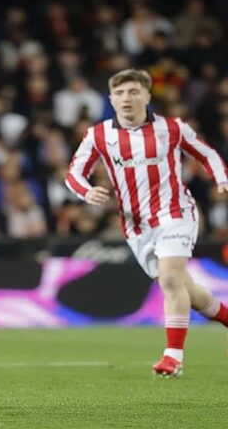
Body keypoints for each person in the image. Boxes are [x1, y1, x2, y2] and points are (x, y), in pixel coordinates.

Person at [65, 68, 228, 378]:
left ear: (147, 96)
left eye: (133, 92)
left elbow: (207, 153)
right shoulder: (98, 135)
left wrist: (222, 178)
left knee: (170, 280)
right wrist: (87, 192)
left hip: (176, 213)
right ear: (111, 99)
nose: (126, 98)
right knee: (185, 289)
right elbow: (73, 174)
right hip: (136, 226)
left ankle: (173, 358)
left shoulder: (172, 128)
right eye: (120, 93)